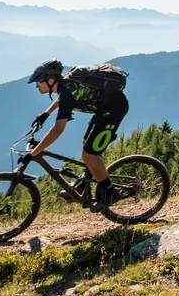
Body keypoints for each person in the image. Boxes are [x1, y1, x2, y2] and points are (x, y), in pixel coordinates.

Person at [24, 59, 130, 213]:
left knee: (89, 155)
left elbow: (58, 129)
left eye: (39, 82)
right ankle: (83, 187)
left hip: (114, 111)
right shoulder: (65, 85)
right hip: (103, 111)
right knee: (86, 143)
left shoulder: (66, 90)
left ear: (51, 81)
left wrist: (34, 153)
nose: (36, 85)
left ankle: (110, 193)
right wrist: (46, 114)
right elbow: (63, 99)